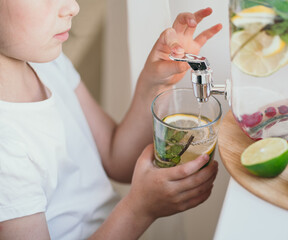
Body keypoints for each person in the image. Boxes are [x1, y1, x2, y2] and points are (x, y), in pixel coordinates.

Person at [0, 0, 222, 239]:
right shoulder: (6, 146)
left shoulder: (48, 64)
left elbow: (117, 158)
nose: (73, 7)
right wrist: (140, 210)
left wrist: (154, 82)